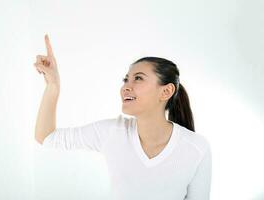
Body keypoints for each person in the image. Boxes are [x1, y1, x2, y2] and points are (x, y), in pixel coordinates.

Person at [34, 34, 212, 200]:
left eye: (138, 78)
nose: (126, 86)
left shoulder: (197, 148)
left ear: (166, 91)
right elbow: (47, 137)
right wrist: (53, 86)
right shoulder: (113, 132)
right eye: (126, 80)